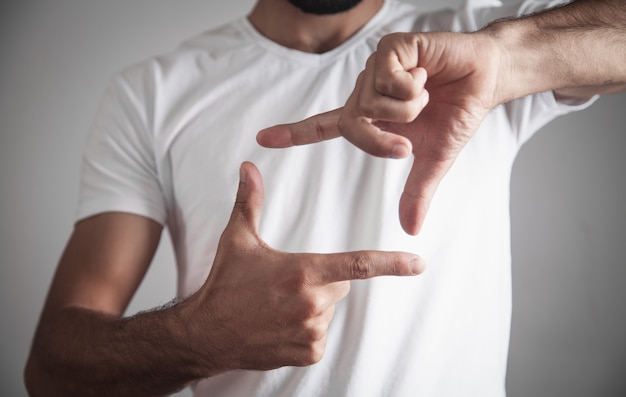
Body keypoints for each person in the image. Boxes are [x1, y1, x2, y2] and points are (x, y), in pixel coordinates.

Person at [24, 0, 625, 396]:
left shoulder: (475, 35)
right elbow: (52, 371)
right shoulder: (150, 93)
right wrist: (197, 336)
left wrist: (505, 58)